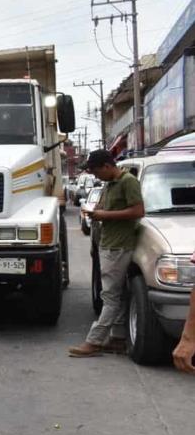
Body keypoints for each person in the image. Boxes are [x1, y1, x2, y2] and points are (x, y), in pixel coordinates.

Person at [69, 150, 144, 357]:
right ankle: (117, 339)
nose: (95, 176)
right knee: (115, 296)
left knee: (109, 297)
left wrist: (104, 214)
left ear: (107, 166)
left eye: (95, 172)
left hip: (119, 247)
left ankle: (94, 341)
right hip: (109, 243)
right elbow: (106, 208)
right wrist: (96, 211)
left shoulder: (128, 182)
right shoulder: (110, 184)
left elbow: (138, 211)